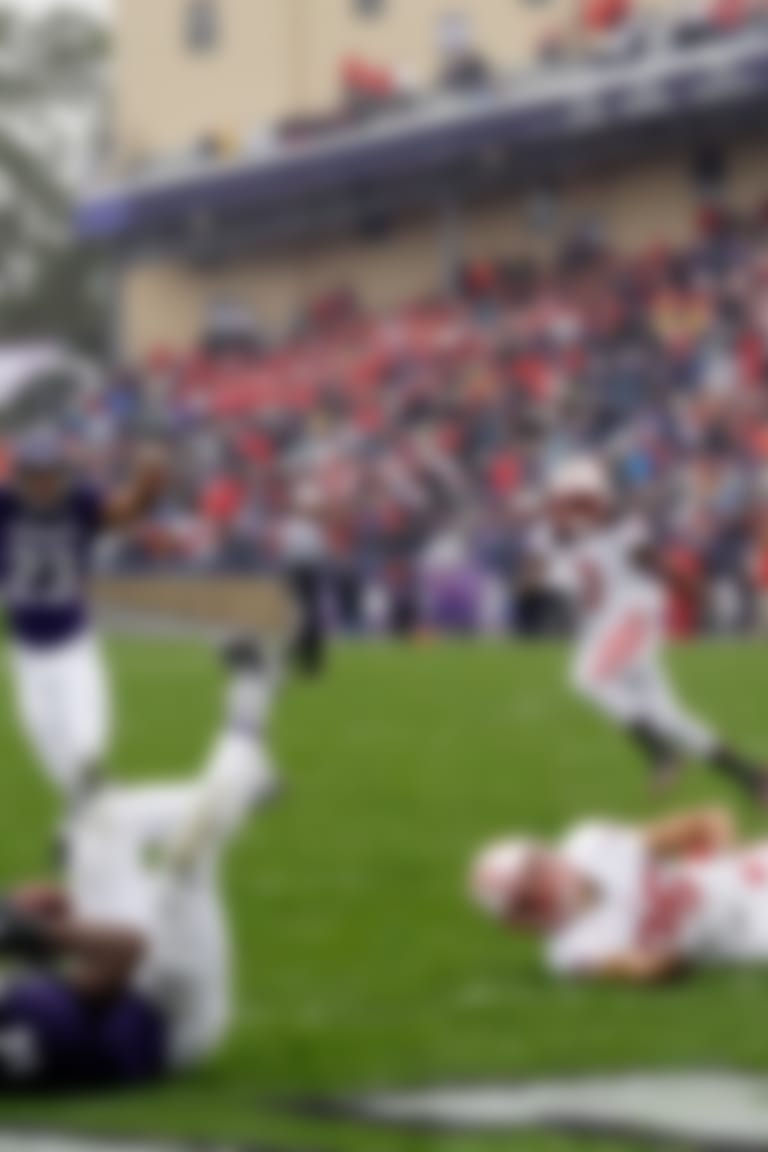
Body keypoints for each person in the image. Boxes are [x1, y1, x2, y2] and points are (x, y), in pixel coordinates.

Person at [0, 638, 278, 1091]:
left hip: (127, 985)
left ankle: (241, 785)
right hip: (175, 1012)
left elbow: (75, 944)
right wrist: (37, 933)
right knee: (184, 866)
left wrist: (32, 919)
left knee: (97, 822)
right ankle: (251, 701)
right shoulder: (28, 1021)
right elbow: (127, 950)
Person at [527, 456, 767, 799]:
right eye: (569, 501)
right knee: (666, 713)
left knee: (586, 676)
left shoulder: (616, 525)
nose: (575, 508)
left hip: (633, 613)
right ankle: (751, 777)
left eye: (582, 500)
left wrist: (698, 594)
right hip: (604, 625)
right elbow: (530, 578)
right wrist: (543, 563)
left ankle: (661, 754)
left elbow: (655, 565)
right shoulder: (550, 534)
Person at [0, 429, 169, 798]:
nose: (45, 483)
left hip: (73, 645)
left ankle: (96, 804)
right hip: (27, 652)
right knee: (44, 739)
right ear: (21, 475)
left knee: (86, 744)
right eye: (36, 474)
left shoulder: (79, 501)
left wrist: (147, 484)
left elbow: (125, 512)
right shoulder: (6, 506)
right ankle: (90, 814)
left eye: (51, 473)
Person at [469, 805, 768, 984]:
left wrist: (721, 863)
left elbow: (707, 820)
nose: (541, 893)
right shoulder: (572, 951)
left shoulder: (593, 844)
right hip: (750, 933)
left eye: (535, 877)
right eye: (525, 901)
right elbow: (656, 969)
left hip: (750, 872)